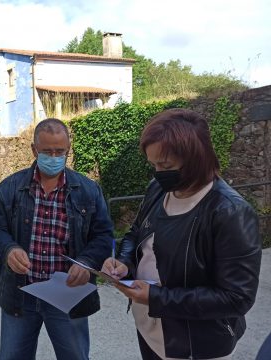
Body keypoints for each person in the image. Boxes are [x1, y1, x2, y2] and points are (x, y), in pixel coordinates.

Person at [101, 108, 262, 359]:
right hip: (149, 327)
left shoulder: (229, 212)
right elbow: (136, 233)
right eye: (153, 164)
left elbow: (236, 298)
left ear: (195, 159)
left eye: (165, 165)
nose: (157, 173)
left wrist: (157, 297)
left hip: (193, 343)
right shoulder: (158, 189)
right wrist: (123, 262)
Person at [0, 118, 114, 360]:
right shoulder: (9, 188)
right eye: (47, 151)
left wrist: (86, 262)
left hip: (67, 295)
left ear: (68, 151)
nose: (54, 157)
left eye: (59, 151)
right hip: (21, 294)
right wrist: (9, 249)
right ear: (34, 150)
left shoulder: (88, 190)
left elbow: (103, 235)